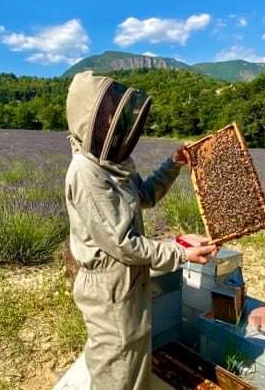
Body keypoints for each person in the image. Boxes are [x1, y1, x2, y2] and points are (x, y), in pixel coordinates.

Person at [64, 71, 216, 389]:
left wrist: (173, 164)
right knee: (117, 367)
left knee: (133, 357)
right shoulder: (86, 173)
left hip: (128, 279)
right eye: (104, 116)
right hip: (109, 287)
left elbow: (143, 195)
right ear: (87, 121)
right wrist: (180, 252)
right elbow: (123, 243)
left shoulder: (111, 164)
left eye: (113, 113)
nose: (112, 122)